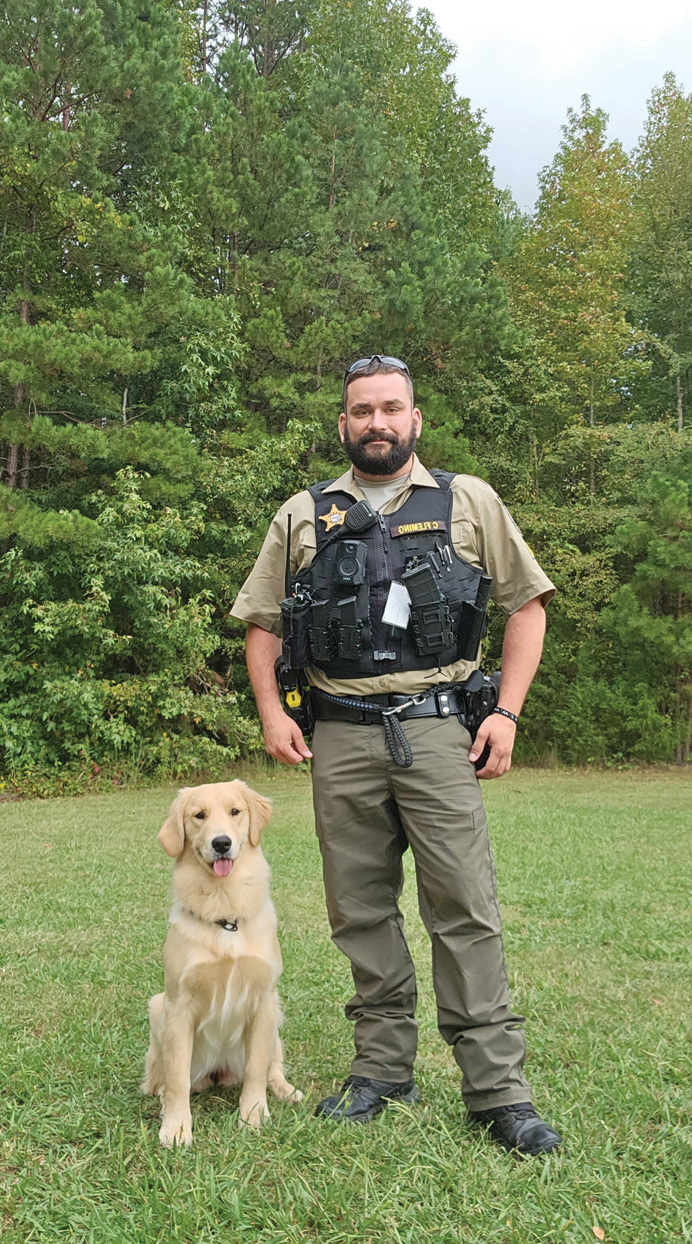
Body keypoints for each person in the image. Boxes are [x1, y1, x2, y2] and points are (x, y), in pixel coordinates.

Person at [230, 355, 561, 1155]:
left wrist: (507, 713)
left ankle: (496, 1093)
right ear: (342, 424)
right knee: (360, 911)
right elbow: (263, 623)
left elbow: (529, 604)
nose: (376, 422)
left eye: (390, 409)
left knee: (465, 907)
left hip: (442, 729)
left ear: (415, 420)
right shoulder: (303, 514)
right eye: (361, 410)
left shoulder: (468, 500)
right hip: (338, 735)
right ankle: (381, 1070)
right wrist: (274, 712)